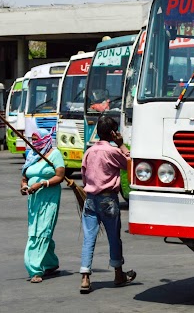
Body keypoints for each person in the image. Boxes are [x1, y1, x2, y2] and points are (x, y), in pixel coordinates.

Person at [79, 116, 136, 294]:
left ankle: (85, 276)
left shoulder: (89, 152)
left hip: (90, 198)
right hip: (108, 199)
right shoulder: (112, 151)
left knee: (89, 237)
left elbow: (83, 174)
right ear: (113, 132)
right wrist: (121, 144)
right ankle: (118, 274)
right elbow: (130, 164)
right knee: (114, 238)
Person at [20, 128, 65, 283]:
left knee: (42, 231)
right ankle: (50, 263)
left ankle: (35, 269)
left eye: (36, 139)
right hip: (33, 200)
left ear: (45, 138)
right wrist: (25, 185)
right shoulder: (31, 155)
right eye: (32, 139)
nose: (34, 142)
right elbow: (25, 176)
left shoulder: (54, 154)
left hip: (49, 197)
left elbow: (60, 176)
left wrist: (41, 184)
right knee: (36, 228)